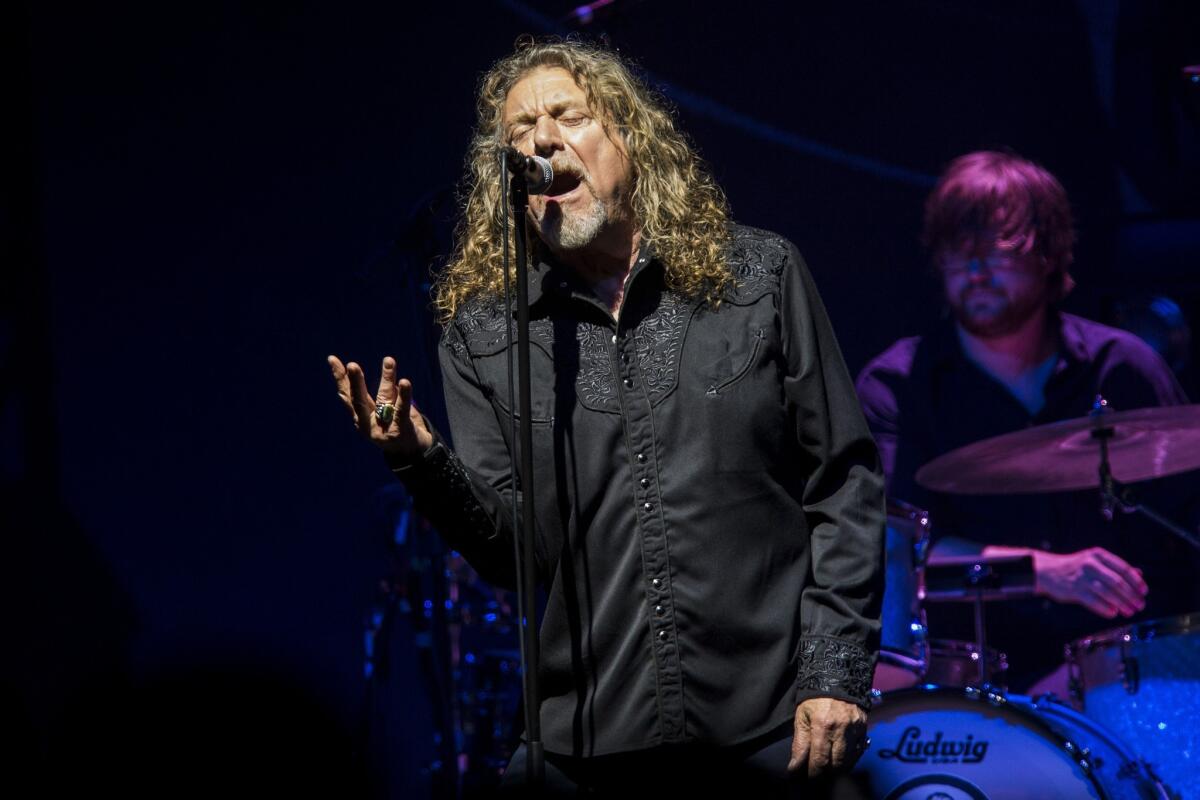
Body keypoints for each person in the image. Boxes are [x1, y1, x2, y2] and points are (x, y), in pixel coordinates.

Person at [329, 38, 885, 795]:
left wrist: (836, 672)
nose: (542, 141)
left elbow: (844, 483)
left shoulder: (755, 277)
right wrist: (420, 459)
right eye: (520, 132)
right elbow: (512, 554)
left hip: (771, 727)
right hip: (589, 748)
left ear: (630, 138)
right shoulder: (486, 336)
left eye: (567, 116)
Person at [856, 150, 1199, 693]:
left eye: (1000, 249)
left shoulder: (1126, 370)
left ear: (1049, 255)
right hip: (970, 685)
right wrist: (1046, 571)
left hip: (1127, 675)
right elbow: (896, 560)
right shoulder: (898, 384)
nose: (976, 270)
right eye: (958, 253)